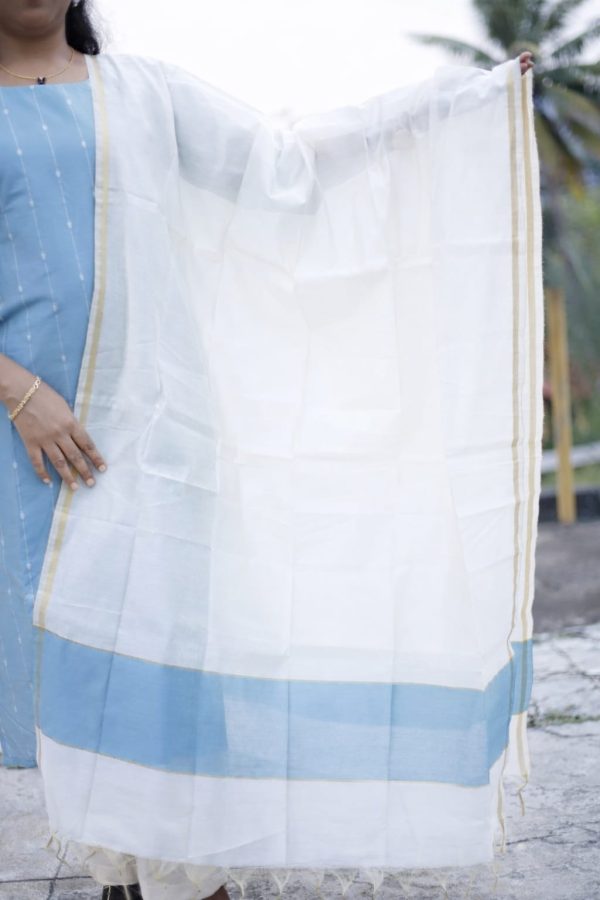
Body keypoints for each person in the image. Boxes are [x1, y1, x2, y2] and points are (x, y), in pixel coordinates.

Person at [0, 1, 539, 898]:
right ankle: (131, 873)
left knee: (164, 674)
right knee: (69, 678)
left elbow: (284, 163)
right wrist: (22, 395)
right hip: (28, 445)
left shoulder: (142, 93)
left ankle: (182, 877)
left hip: (157, 437)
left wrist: (450, 104)